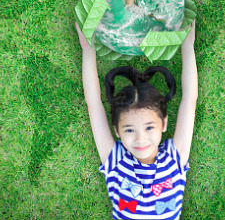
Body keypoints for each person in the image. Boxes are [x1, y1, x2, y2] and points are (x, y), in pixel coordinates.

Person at [75, 22, 197, 219]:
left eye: (149, 127)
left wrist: (187, 46)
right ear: (117, 130)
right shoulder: (116, 161)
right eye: (129, 130)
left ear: (164, 124)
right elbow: (94, 105)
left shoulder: (175, 158)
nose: (141, 139)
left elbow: (190, 102)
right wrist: (87, 51)